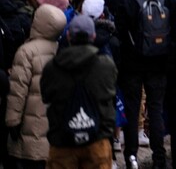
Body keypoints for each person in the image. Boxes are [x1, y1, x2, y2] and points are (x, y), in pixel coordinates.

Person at [115, 0, 176, 169]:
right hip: (160, 63)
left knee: (133, 110)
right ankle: (159, 156)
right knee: (156, 108)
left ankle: (131, 155)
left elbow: (121, 32)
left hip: (132, 65)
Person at [41, 14, 118, 168]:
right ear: (93, 36)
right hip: (98, 139)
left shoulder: (53, 67)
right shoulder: (105, 65)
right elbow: (110, 94)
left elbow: (46, 96)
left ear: (69, 36)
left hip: (62, 140)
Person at [6, 4, 68, 168]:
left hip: (27, 130)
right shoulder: (60, 50)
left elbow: (17, 90)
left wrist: (12, 121)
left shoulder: (26, 52)